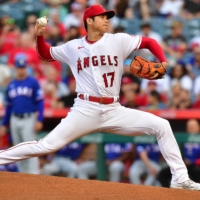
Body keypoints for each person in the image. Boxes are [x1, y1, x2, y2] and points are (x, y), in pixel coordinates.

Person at [0, 4, 199, 190]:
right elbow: (45, 54)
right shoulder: (73, 46)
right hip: (85, 109)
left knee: (162, 126)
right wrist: (40, 36)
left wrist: (163, 61)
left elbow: (149, 41)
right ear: (89, 21)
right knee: (46, 145)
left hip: (114, 110)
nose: (106, 20)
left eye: (107, 17)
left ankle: (180, 178)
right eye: (101, 17)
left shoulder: (117, 40)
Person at [0, 54, 44, 174]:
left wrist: (40, 119)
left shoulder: (33, 82)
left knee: (30, 149)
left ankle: (34, 175)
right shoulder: (11, 84)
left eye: (23, 67)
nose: (21, 69)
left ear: (26, 67)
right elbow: (8, 107)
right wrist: (4, 124)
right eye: (19, 67)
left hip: (29, 118)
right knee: (17, 151)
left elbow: (40, 101)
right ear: (15, 68)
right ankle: (23, 178)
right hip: (14, 119)